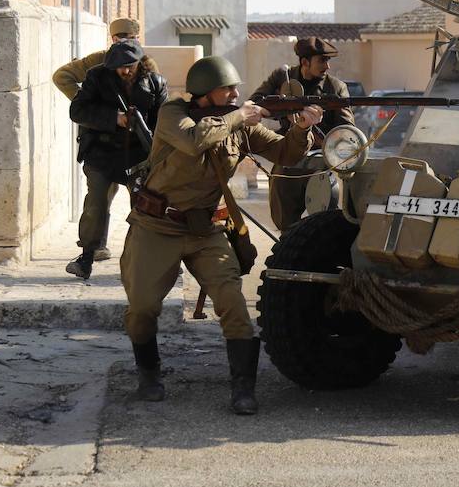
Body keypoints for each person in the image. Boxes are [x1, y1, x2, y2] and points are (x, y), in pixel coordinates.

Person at [122, 55, 322, 415]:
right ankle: (148, 376)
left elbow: (284, 153)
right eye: (226, 89)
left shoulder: (240, 124)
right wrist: (238, 117)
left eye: (235, 88)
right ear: (203, 93)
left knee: (233, 304)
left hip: (206, 230)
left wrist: (302, 128)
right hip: (157, 226)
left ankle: (243, 390)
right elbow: (194, 139)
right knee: (142, 309)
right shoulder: (173, 113)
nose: (235, 94)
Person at [65, 40, 168, 280]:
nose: (124, 71)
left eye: (129, 66)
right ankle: (87, 256)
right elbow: (77, 111)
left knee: (144, 208)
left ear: (139, 63)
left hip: (139, 156)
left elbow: (163, 121)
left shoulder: (155, 82)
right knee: (96, 205)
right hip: (102, 154)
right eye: (119, 67)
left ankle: (141, 259)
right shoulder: (97, 77)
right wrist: (114, 118)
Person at [252, 37, 357, 230]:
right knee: (285, 221)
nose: (327, 66)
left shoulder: (334, 88)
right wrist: (285, 111)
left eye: (328, 60)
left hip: (320, 160)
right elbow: (255, 103)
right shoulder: (282, 78)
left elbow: (345, 130)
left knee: (323, 222)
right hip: (288, 155)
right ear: (304, 62)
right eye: (322, 61)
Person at [52, 17, 142, 101]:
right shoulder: (100, 59)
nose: (136, 43)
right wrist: (88, 104)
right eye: (132, 38)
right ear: (116, 40)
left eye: (137, 38)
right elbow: (61, 76)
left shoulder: (144, 61)